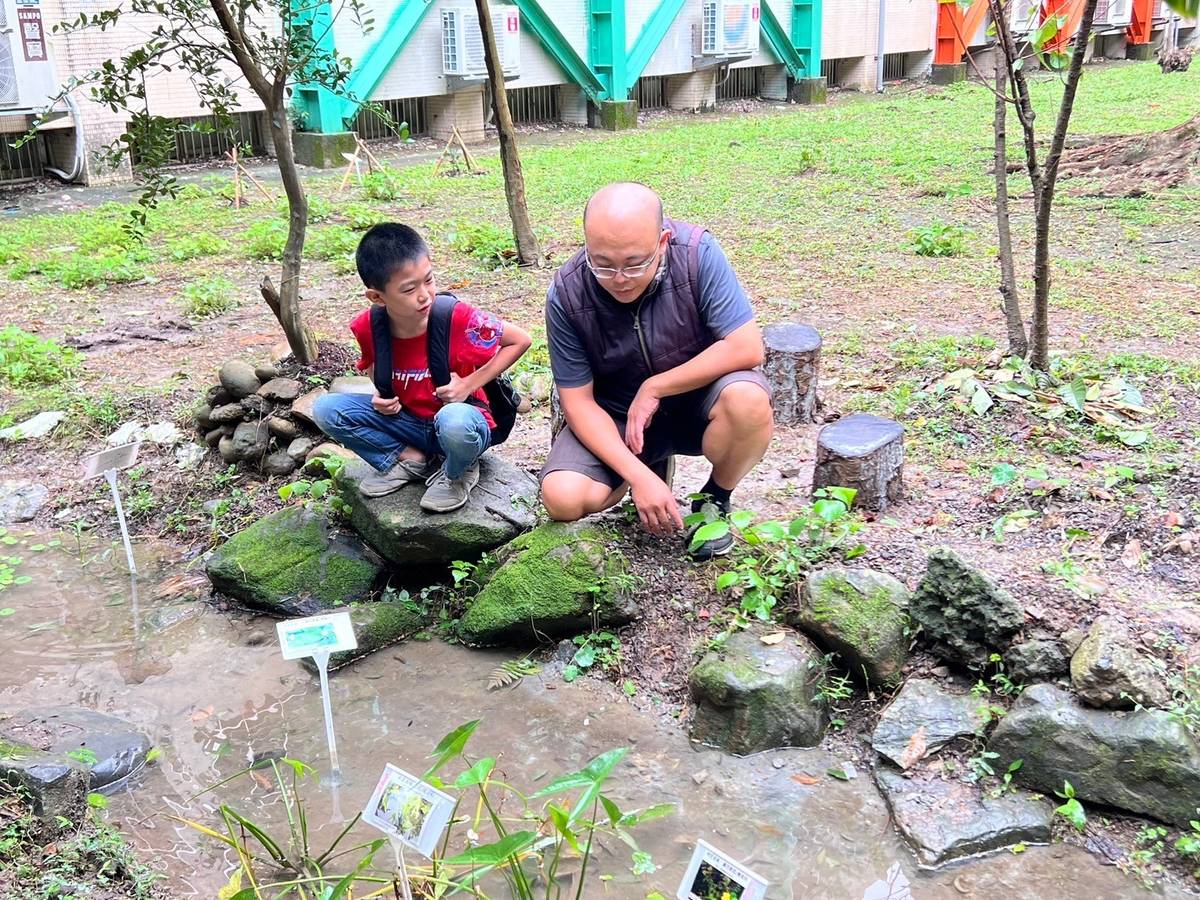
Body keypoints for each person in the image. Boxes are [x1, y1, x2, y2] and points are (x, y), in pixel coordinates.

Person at [539, 182, 773, 559]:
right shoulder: (566, 293)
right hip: (616, 416)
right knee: (562, 497)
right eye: (602, 264)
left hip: (699, 403)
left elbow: (746, 346)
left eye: (634, 264)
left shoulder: (697, 254)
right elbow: (578, 402)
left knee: (748, 401)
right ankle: (646, 470)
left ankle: (714, 499)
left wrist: (656, 387)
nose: (618, 279)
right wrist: (638, 475)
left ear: (663, 241)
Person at [313, 223, 531, 513]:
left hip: (463, 424)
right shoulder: (369, 327)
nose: (425, 295)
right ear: (377, 297)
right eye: (409, 289)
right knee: (327, 409)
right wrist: (382, 396)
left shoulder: (457, 318)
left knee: (454, 420)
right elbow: (372, 366)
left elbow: (520, 340)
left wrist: (468, 384)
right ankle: (411, 459)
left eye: (428, 280)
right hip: (411, 423)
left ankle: (458, 471)